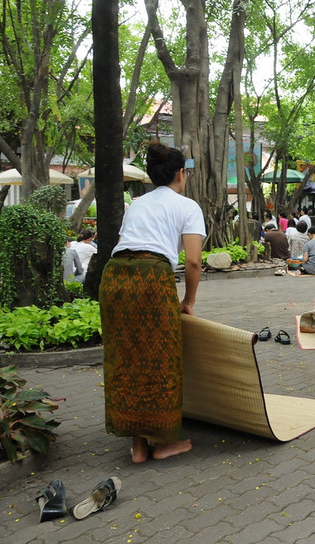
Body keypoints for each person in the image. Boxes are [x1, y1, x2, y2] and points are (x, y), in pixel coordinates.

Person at [100, 142, 204, 464]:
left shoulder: (137, 205)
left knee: (126, 357)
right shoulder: (187, 207)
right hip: (151, 277)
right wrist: (188, 301)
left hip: (114, 277)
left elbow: (124, 244)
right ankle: (163, 443)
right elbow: (193, 262)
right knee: (161, 357)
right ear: (181, 173)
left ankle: (138, 445)